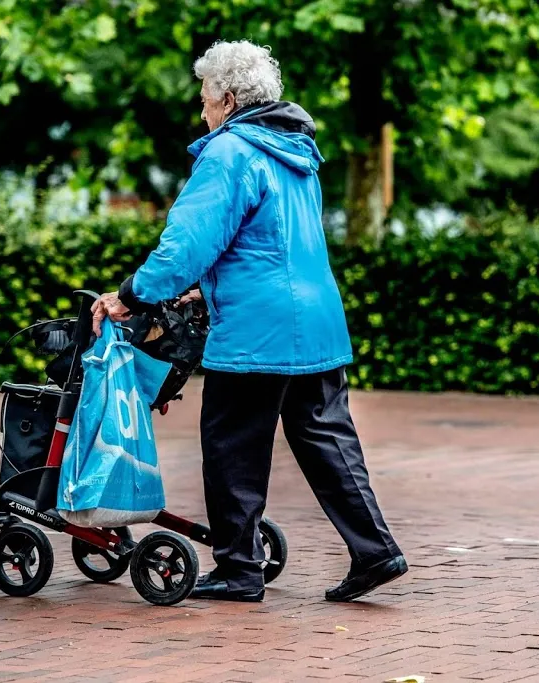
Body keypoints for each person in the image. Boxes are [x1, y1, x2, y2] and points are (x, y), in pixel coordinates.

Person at [91, 39, 407, 603]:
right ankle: (375, 550)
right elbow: (264, 243)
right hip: (316, 319)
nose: (203, 111)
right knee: (326, 437)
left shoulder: (230, 152)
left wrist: (131, 295)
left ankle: (239, 569)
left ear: (230, 100)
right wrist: (200, 288)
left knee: (232, 441)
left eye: (207, 99)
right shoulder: (296, 153)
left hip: (257, 329)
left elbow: (187, 244)